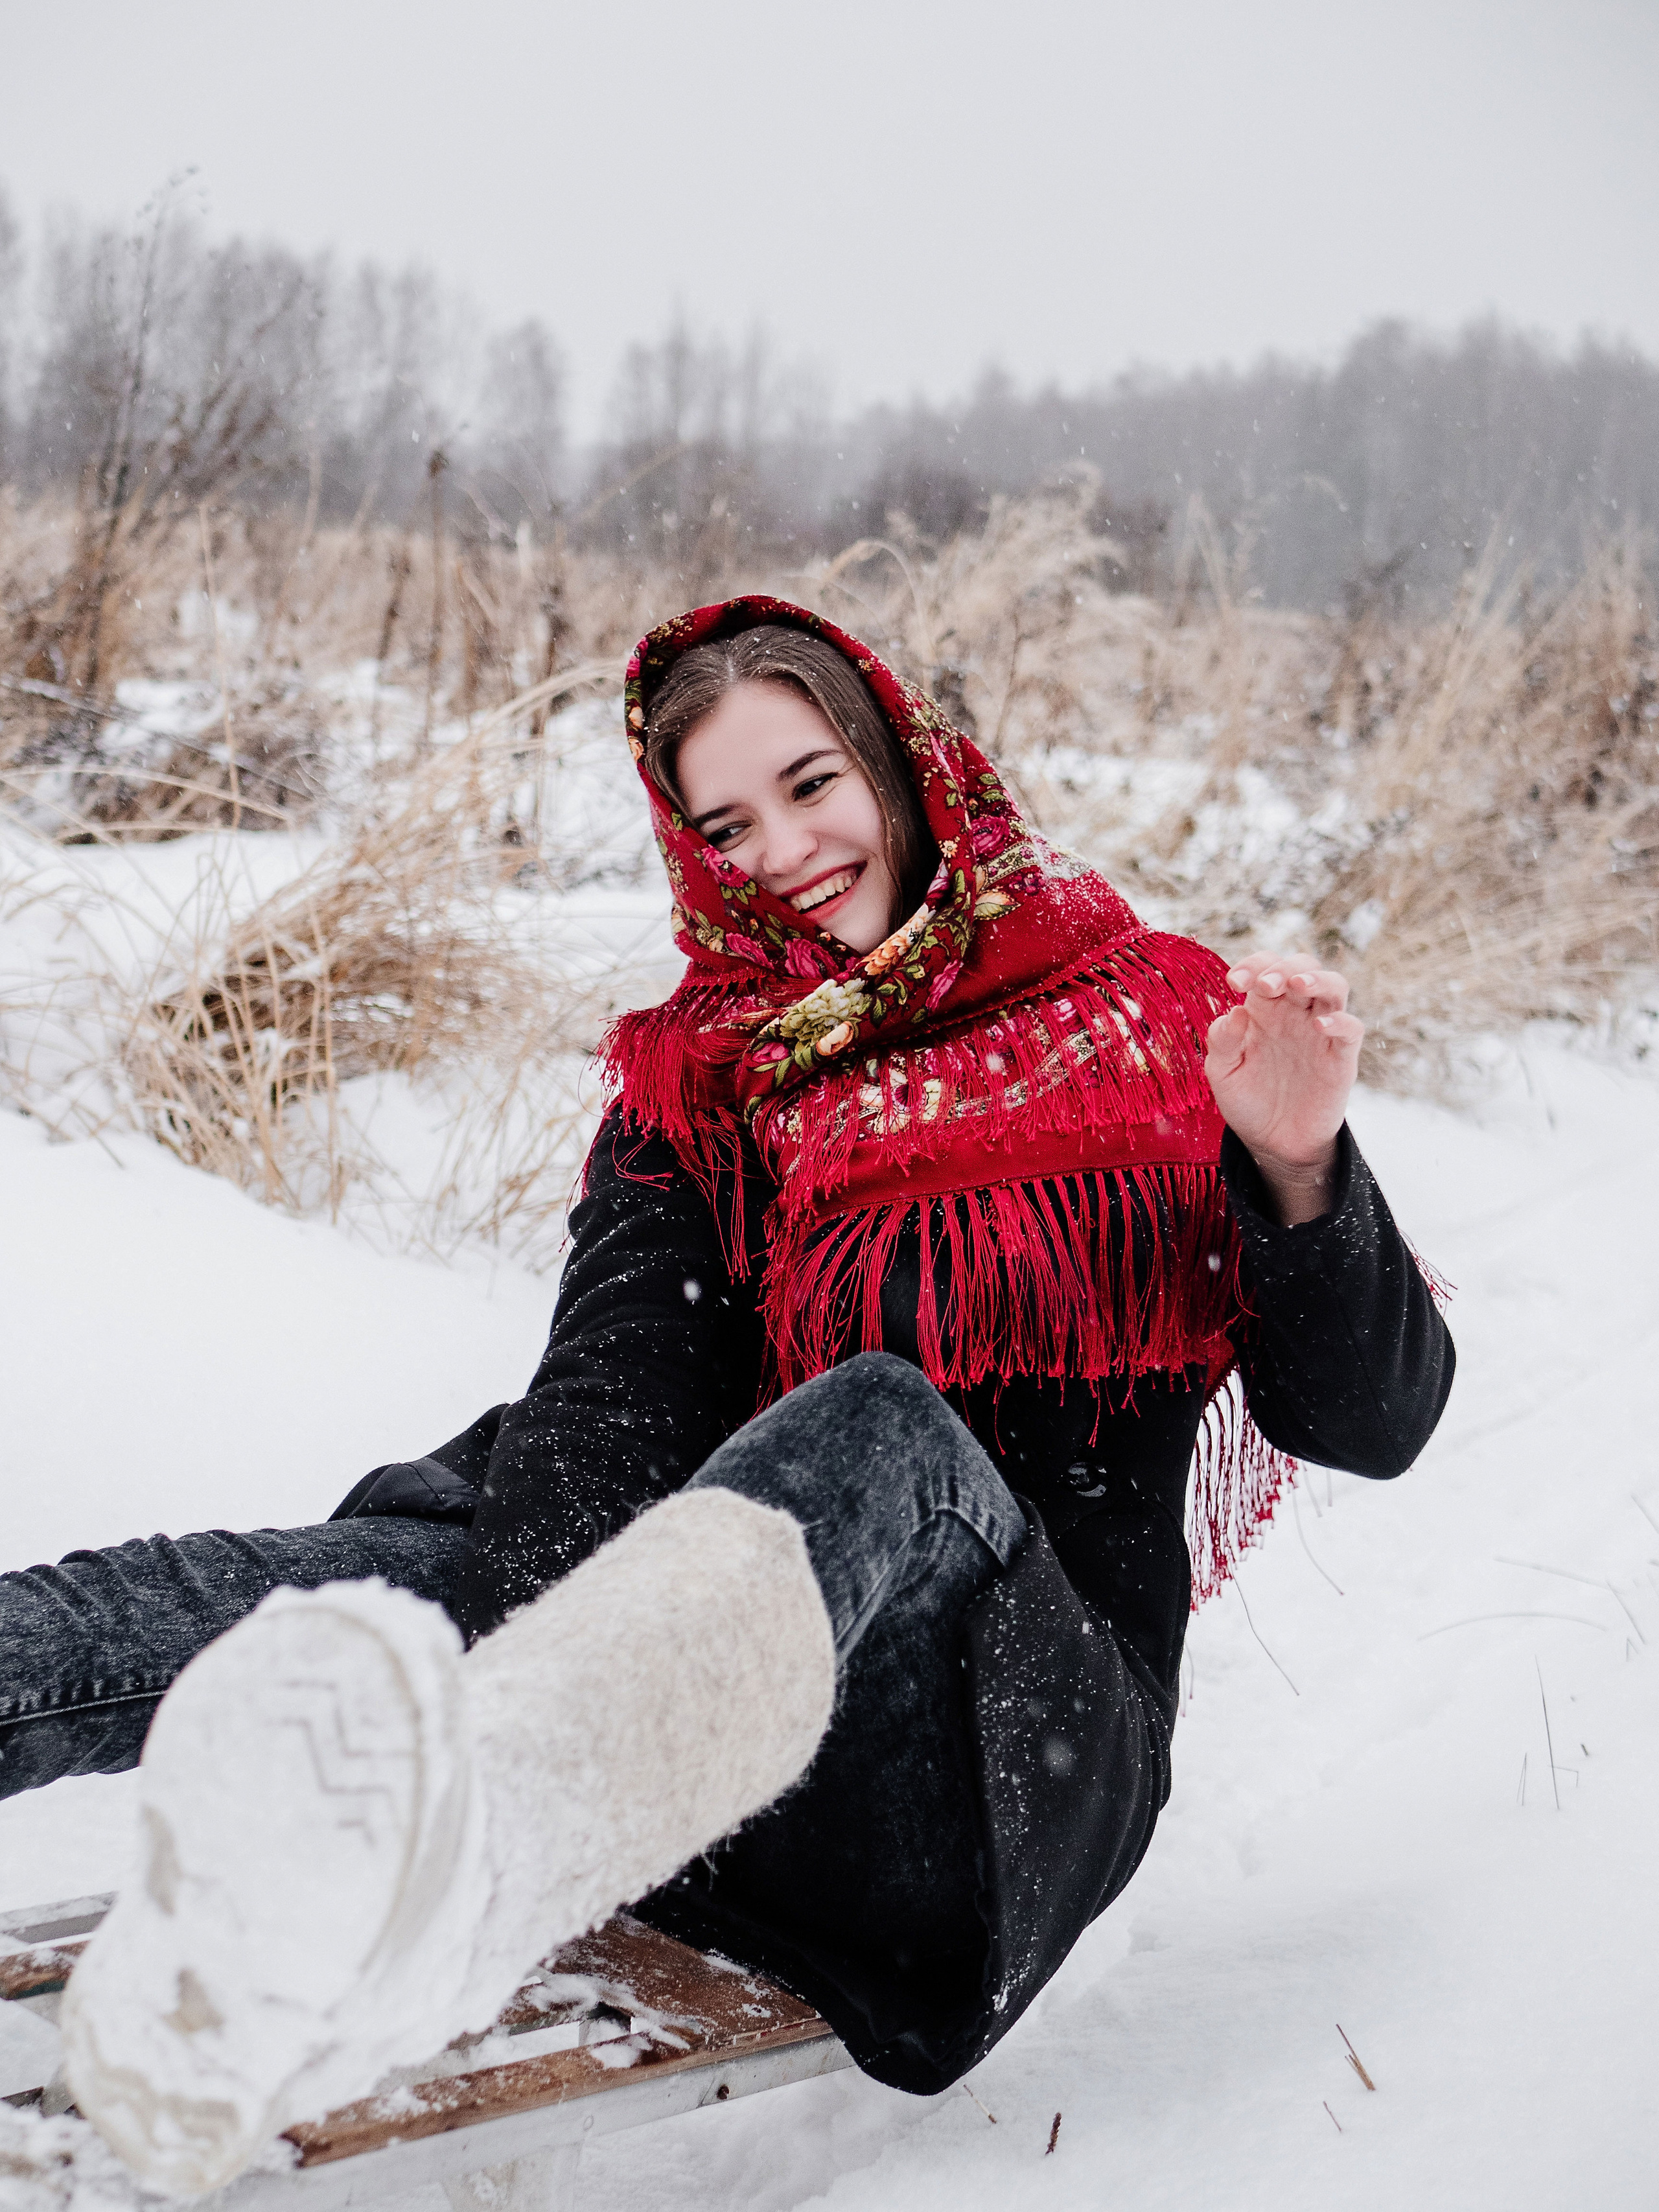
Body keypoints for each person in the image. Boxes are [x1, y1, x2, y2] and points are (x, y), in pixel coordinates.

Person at [1, 598, 1454, 2195]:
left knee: (884, 1424)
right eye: (726, 824)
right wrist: (449, 1614)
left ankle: (449, 1866)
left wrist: (1299, 1158)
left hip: (972, 1782)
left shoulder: (1167, 1026)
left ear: (895, 762)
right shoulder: (704, 1082)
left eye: (812, 783)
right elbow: (605, 1416)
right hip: (663, 1749)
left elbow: (1367, 1421)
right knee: (291, 1600)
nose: (786, 848)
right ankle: (449, 1812)